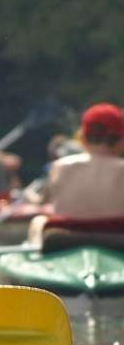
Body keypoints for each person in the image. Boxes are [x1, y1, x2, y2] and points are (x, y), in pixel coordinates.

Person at [28, 102, 124, 247]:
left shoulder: (59, 166)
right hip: (117, 236)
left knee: (38, 221)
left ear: (83, 137)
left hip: (66, 236)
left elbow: (42, 201)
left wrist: (30, 195)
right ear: (120, 141)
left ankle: (37, 254)